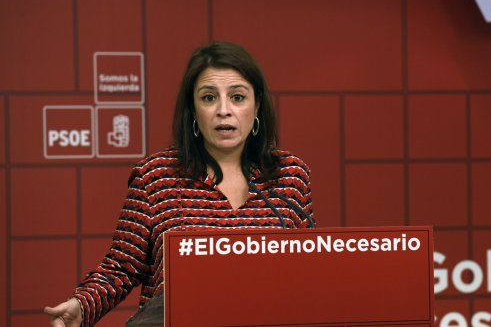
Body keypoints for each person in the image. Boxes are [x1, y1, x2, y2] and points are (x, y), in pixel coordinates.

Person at [44, 42, 315, 326]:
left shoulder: (290, 176)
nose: (224, 110)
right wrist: (82, 306)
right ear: (193, 110)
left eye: (237, 97)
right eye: (209, 98)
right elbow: (122, 267)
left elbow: (308, 270)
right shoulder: (156, 177)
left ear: (257, 105)